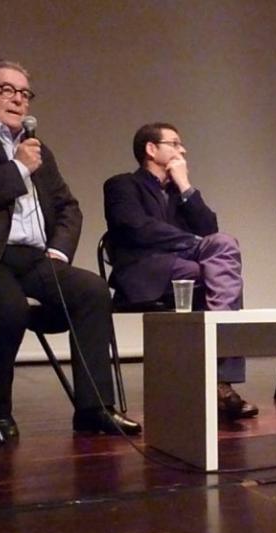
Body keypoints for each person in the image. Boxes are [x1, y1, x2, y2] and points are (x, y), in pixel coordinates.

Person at [0, 59, 141, 441]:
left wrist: (59, 251)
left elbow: (68, 207)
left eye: (24, 93)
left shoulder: (38, 150)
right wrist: (18, 169)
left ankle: (95, 409)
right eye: (6, 90)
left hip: (34, 259)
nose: (18, 99)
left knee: (92, 291)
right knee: (9, 308)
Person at [103, 123, 258, 419]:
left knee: (224, 245)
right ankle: (220, 376)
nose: (182, 150)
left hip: (185, 266)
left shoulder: (179, 191)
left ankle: (217, 361)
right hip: (145, 269)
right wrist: (192, 241)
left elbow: (211, 230)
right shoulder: (122, 185)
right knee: (218, 275)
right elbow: (136, 228)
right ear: (151, 149)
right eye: (174, 144)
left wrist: (185, 185)